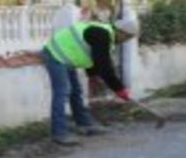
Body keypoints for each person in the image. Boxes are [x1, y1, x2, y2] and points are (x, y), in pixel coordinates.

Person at [42, 17, 139, 146]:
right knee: (63, 92)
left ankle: (85, 125)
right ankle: (59, 133)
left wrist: (92, 76)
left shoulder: (104, 33)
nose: (124, 41)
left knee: (76, 91)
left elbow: (92, 55)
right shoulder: (102, 35)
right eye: (127, 38)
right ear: (121, 32)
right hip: (55, 54)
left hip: (67, 57)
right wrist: (119, 89)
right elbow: (105, 67)